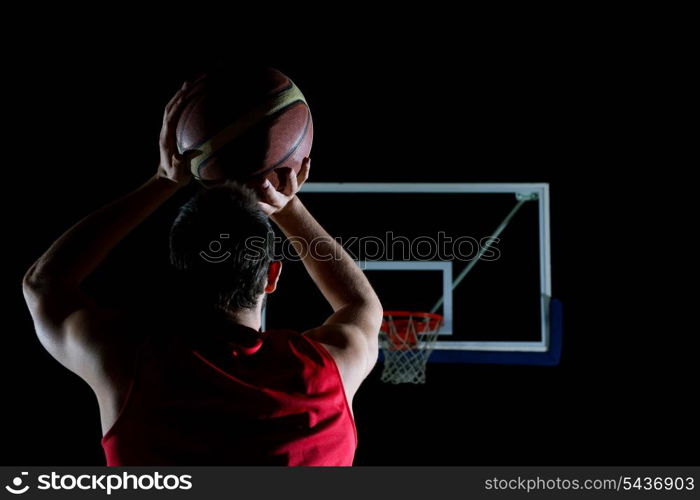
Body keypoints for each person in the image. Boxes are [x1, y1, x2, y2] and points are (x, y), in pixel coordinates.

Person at [21, 81, 383, 466]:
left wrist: (161, 181)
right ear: (272, 276)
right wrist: (288, 206)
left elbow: (44, 284)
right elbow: (361, 305)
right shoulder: (326, 375)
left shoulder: (128, 365)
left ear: (179, 270)